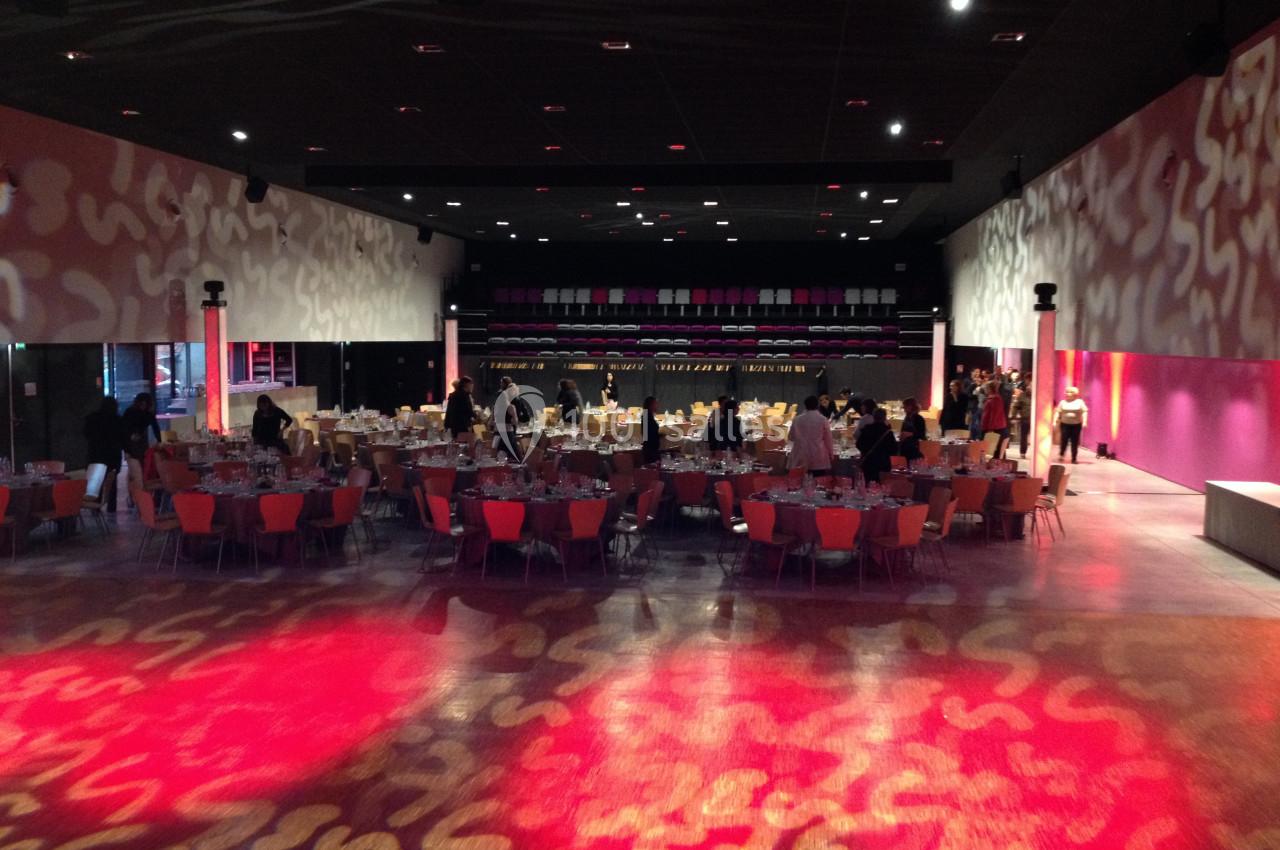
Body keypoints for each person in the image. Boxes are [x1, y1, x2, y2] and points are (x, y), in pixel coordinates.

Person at [84, 396, 121, 512]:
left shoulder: (92, 418)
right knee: (112, 482)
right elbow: (121, 437)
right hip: (112, 454)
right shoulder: (117, 419)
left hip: (96, 453)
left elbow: (86, 434)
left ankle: (95, 505)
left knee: (96, 482)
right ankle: (111, 507)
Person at [787, 396, 834, 475]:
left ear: (805, 405)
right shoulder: (823, 419)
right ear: (817, 405)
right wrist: (831, 454)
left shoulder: (797, 419)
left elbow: (791, 437)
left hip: (800, 455)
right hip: (818, 455)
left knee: (800, 481)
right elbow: (828, 440)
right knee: (818, 480)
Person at [857, 409, 897, 486]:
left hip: (868, 462)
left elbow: (858, 444)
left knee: (867, 485)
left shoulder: (867, 429)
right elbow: (893, 450)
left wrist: (865, 451)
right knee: (883, 485)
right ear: (884, 417)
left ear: (873, 417)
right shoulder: (887, 432)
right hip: (883, 463)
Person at [120, 392, 160, 462]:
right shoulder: (135, 412)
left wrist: (159, 440)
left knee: (139, 459)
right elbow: (124, 429)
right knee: (138, 459)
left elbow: (155, 427)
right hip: (134, 439)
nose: (143, 406)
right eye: (142, 404)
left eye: (145, 404)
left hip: (137, 438)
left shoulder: (133, 411)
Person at [1053, 386, 1089, 463]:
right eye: (1067, 392)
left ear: (1075, 394)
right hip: (1065, 424)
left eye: (1070, 392)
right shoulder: (1062, 402)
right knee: (1064, 440)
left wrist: (1085, 421)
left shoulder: (1080, 402)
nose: (1067, 394)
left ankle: (1074, 458)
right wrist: (1054, 420)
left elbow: (1084, 412)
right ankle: (1061, 455)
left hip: (1076, 425)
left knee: (1074, 442)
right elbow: (1058, 412)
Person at [980, 380, 1008, 457]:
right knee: (993, 449)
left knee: (996, 449)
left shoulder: (995, 399)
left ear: (990, 388)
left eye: (986, 388)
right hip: (990, 427)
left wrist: (990, 429)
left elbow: (994, 415)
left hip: (995, 428)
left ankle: (999, 463)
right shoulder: (990, 398)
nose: (985, 389)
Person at [898, 397, 926, 462]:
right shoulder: (907, 417)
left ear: (910, 406)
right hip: (905, 447)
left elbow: (922, 435)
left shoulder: (919, 418)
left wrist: (909, 434)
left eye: (905, 406)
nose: (904, 409)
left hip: (913, 448)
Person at [1008, 386, 1031, 458]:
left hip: (1036, 420)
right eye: (1028, 388)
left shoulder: (1038, 396)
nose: (1029, 390)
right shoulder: (1022, 396)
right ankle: (1023, 453)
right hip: (1025, 419)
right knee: (1024, 436)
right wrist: (1013, 417)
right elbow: (1015, 407)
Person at [641, 395, 662, 465]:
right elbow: (646, 435)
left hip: (651, 449)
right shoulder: (646, 416)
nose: (657, 406)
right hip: (650, 450)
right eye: (655, 404)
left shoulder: (648, 416)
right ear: (650, 405)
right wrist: (659, 435)